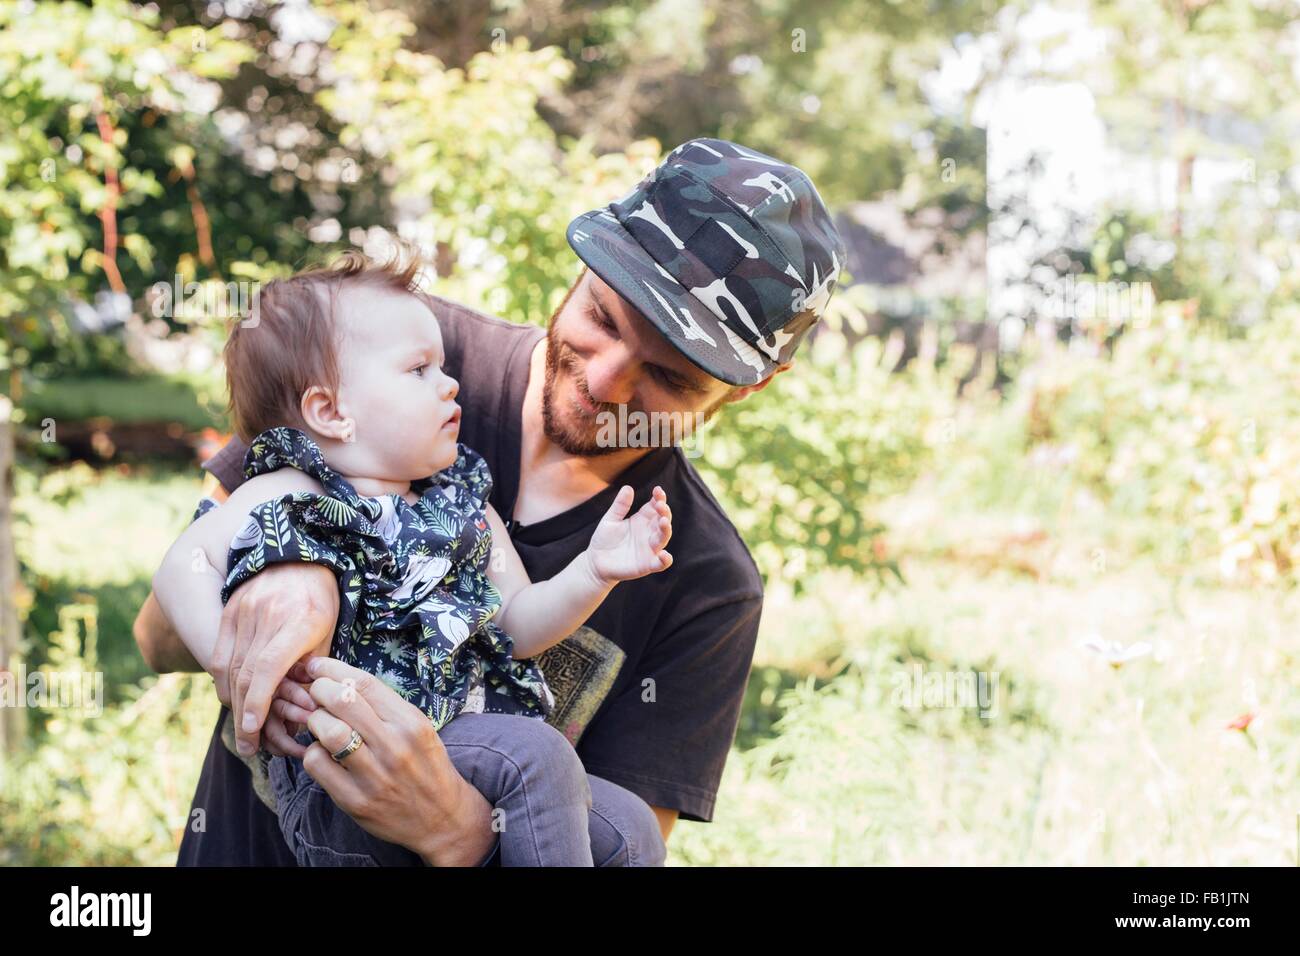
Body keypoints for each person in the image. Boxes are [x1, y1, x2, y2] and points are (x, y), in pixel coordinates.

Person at [133, 137, 847, 866]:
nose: (606, 382)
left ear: (748, 386)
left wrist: (457, 833)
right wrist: (290, 555)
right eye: (603, 318)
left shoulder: (707, 581)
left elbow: (624, 844)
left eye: (670, 375)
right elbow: (155, 639)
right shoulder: (394, 350)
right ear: (586, 267)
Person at [150, 251, 674, 866]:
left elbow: (518, 625)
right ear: (331, 412)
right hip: (345, 766)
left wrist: (594, 570)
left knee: (631, 828)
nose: (450, 384)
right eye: (418, 369)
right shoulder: (292, 489)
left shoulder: (457, 500)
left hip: (457, 753)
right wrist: (239, 673)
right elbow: (179, 569)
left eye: (443, 366)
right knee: (538, 756)